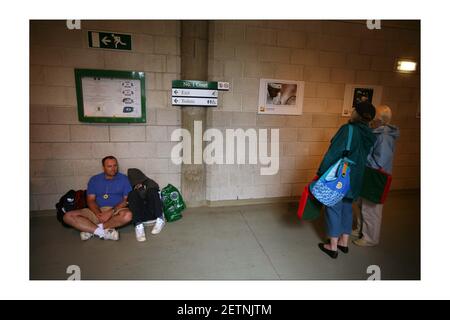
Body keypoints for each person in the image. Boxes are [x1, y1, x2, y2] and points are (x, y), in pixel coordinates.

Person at [317, 101, 377, 259]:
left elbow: (334, 153)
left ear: (356, 113)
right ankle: (344, 242)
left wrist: (321, 173)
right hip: (356, 176)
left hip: (341, 174)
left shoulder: (348, 129)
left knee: (333, 206)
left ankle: (332, 246)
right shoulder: (370, 134)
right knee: (347, 207)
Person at [352, 105, 400, 246]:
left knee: (371, 209)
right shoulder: (376, 132)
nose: (370, 120)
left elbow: (380, 160)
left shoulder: (384, 136)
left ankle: (370, 238)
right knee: (361, 204)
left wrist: (362, 157)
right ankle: (360, 230)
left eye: (374, 117)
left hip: (377, 176)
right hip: (368, 173)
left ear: (380, 119)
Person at [63, 156, 133, 241]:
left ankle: (90, 230)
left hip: (116, 210)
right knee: (67, 216)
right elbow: (90, 200)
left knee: (128, 215)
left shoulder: (124, 179)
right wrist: (98, 214)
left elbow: (126, 200)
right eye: (109, 166)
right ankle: (102, 232)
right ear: (103, 167)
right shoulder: (95, 179)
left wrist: (111, 212)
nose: (113, 169)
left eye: (115, 165)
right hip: (97, 210)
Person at [127, 168, 166, 242]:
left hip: (153, 213)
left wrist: (142, 189)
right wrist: (136, 190)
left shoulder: (150, 183)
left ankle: (160, 219)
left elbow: (153, 193)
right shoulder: (129, 187)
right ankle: (138, 226)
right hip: (141, 215)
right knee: (132, 194)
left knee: (153, 191)